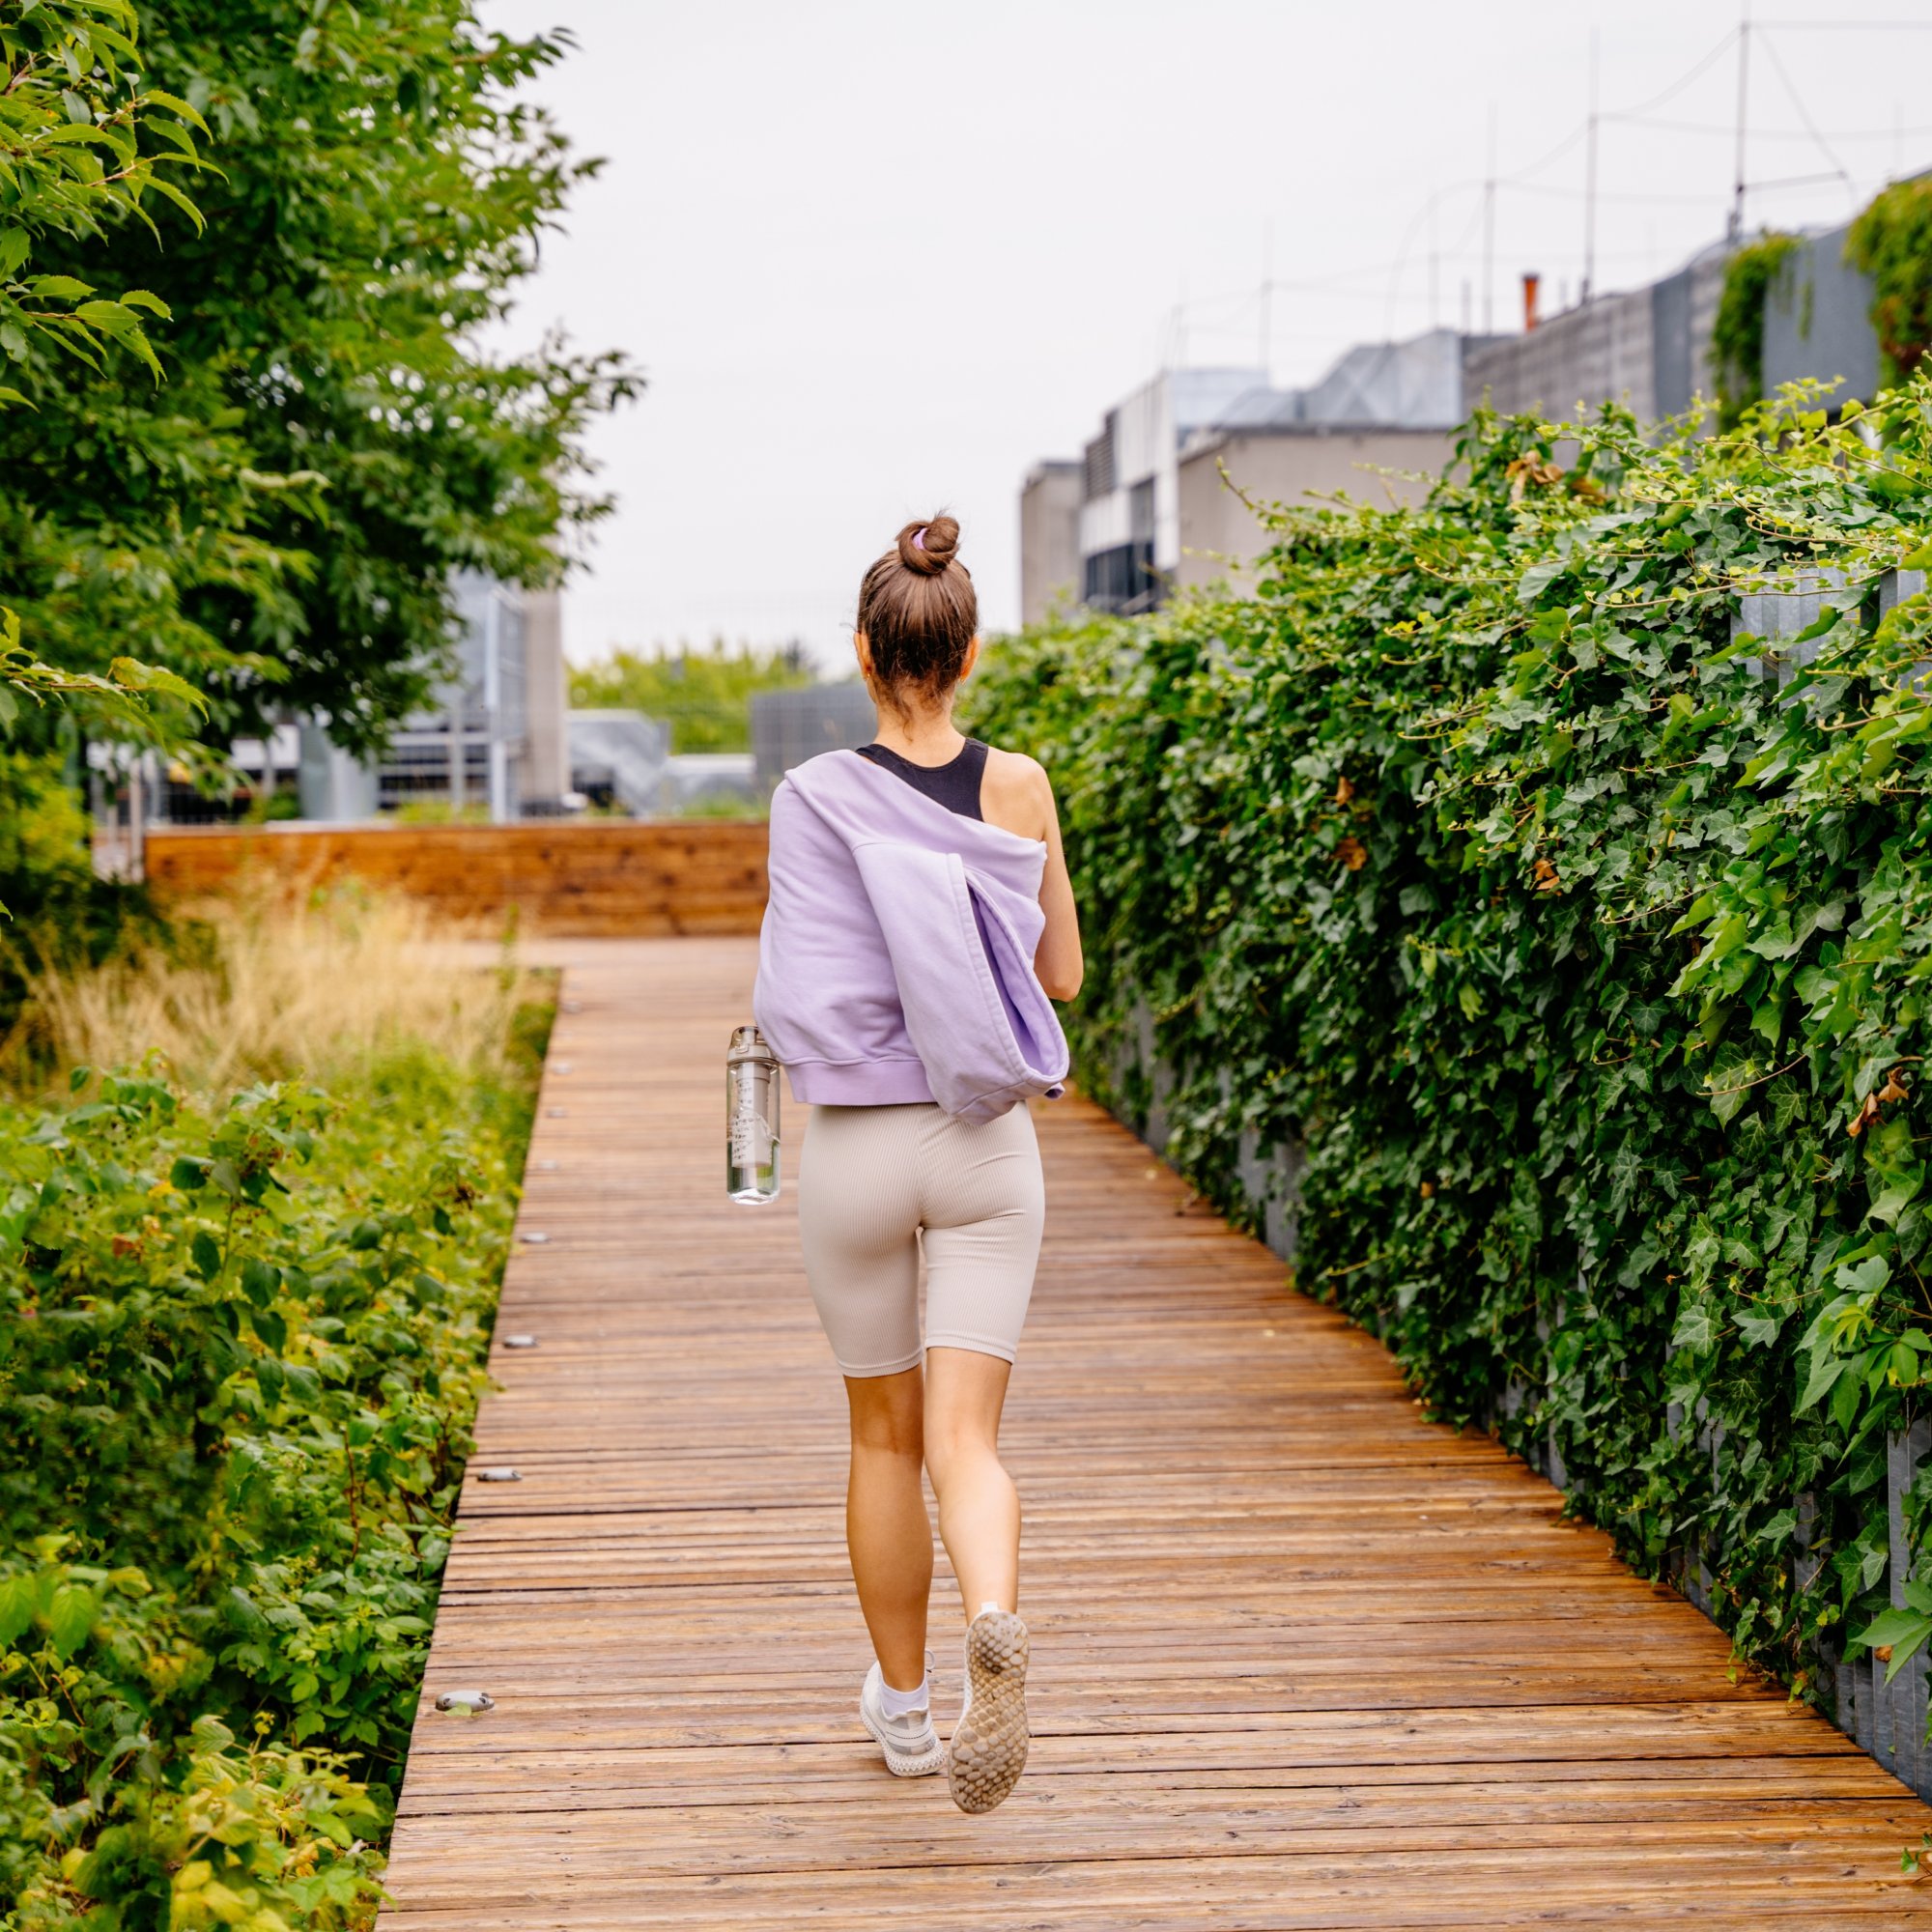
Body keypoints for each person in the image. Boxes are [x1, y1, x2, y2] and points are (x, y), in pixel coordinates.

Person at [753, 515, 1082, 1815]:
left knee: (882, 1439)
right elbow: (1059, 978)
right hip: (987, 1144)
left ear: (863, 653)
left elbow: (800, 980)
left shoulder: (812, 797)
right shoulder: (1022, 787)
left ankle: (901, 1711)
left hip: (855, 1151)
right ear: (971, 654)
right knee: (967, 1438)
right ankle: (992, 1619)